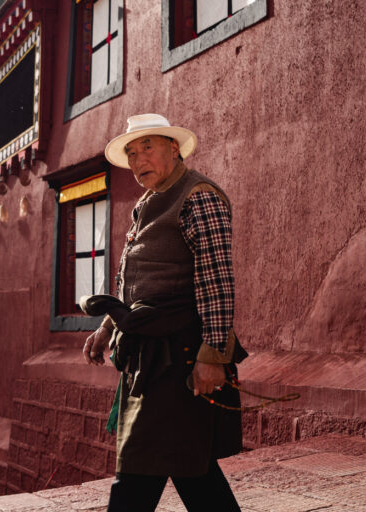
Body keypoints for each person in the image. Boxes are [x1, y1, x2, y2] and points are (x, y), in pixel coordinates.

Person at [82, 114, 247, 511]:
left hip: (181, 353)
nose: (139, 160)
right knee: (192, 468)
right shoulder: (145, 205)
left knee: (141, 466)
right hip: (149, 354)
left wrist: (212, 356)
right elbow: (133, 278)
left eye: (148, 148)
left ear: (174, 148)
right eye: (132, 153)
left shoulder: (198, 196)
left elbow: (217, 281)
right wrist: (107, 327)